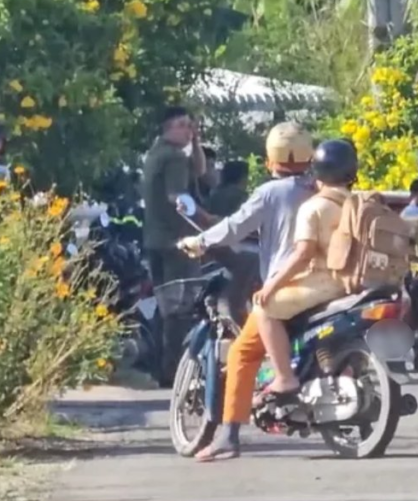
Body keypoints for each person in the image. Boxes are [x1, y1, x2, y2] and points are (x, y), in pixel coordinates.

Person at [176, 121, 316, 462]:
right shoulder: (319, 188)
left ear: (270, 160)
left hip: (286, 286)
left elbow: (235, 227)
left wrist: (200, 242)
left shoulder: (270, 193)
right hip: (324, 285)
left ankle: (229, 435)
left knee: (241, 353)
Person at [252, 139, 358, 398]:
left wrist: (271, 286)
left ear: (316, 172)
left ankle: (284, 378)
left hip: (326, 283)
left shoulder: (313, 207)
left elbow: (303, 255)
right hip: (356, 282)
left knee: (264, 309)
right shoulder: (359, 204)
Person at [141, 106, 207, 384]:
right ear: (169, 128)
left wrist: (196, 142)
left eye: (190, 126)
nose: (188, 131)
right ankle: (174, 371)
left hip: (155, 239)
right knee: (180, 309)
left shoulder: (155, 154)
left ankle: (161, 368)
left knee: (164, 306)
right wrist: (206, 221)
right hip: (177, 242)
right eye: (183, 125)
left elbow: (200, 170)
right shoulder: (175, 158)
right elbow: (178, 198)